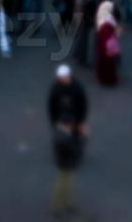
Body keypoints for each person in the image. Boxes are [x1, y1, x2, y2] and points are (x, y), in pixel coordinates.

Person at [47, 64, 88, 217]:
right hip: (66, 162)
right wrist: (80, 139)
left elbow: (83, 104)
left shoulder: (76, 88)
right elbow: (51, 107)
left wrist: (81, 122)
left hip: (66, 158)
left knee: (68, 183)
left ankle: (66, 203)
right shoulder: (56, 89)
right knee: (65, 183)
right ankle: (58, 206)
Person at [93, 0, 121, 87]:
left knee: (101, 62)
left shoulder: (101, 18)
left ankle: (102, 77)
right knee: (108, 65)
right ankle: (108, 80)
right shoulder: (107, 22)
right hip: (107, 48)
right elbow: (109, 37)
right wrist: (117, 33)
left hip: (102, 46)